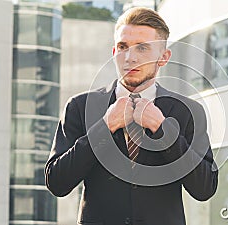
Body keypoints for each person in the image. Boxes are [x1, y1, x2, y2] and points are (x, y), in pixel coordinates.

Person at [45, 7, 218, 225]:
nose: (130, 58)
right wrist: (105, 126)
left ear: (163, 57)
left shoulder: (188, 111)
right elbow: (57, 182)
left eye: (142, 48)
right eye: (123, 47)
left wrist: (164, 131)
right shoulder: (80, 106)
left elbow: (205, 188)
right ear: (114, 52)